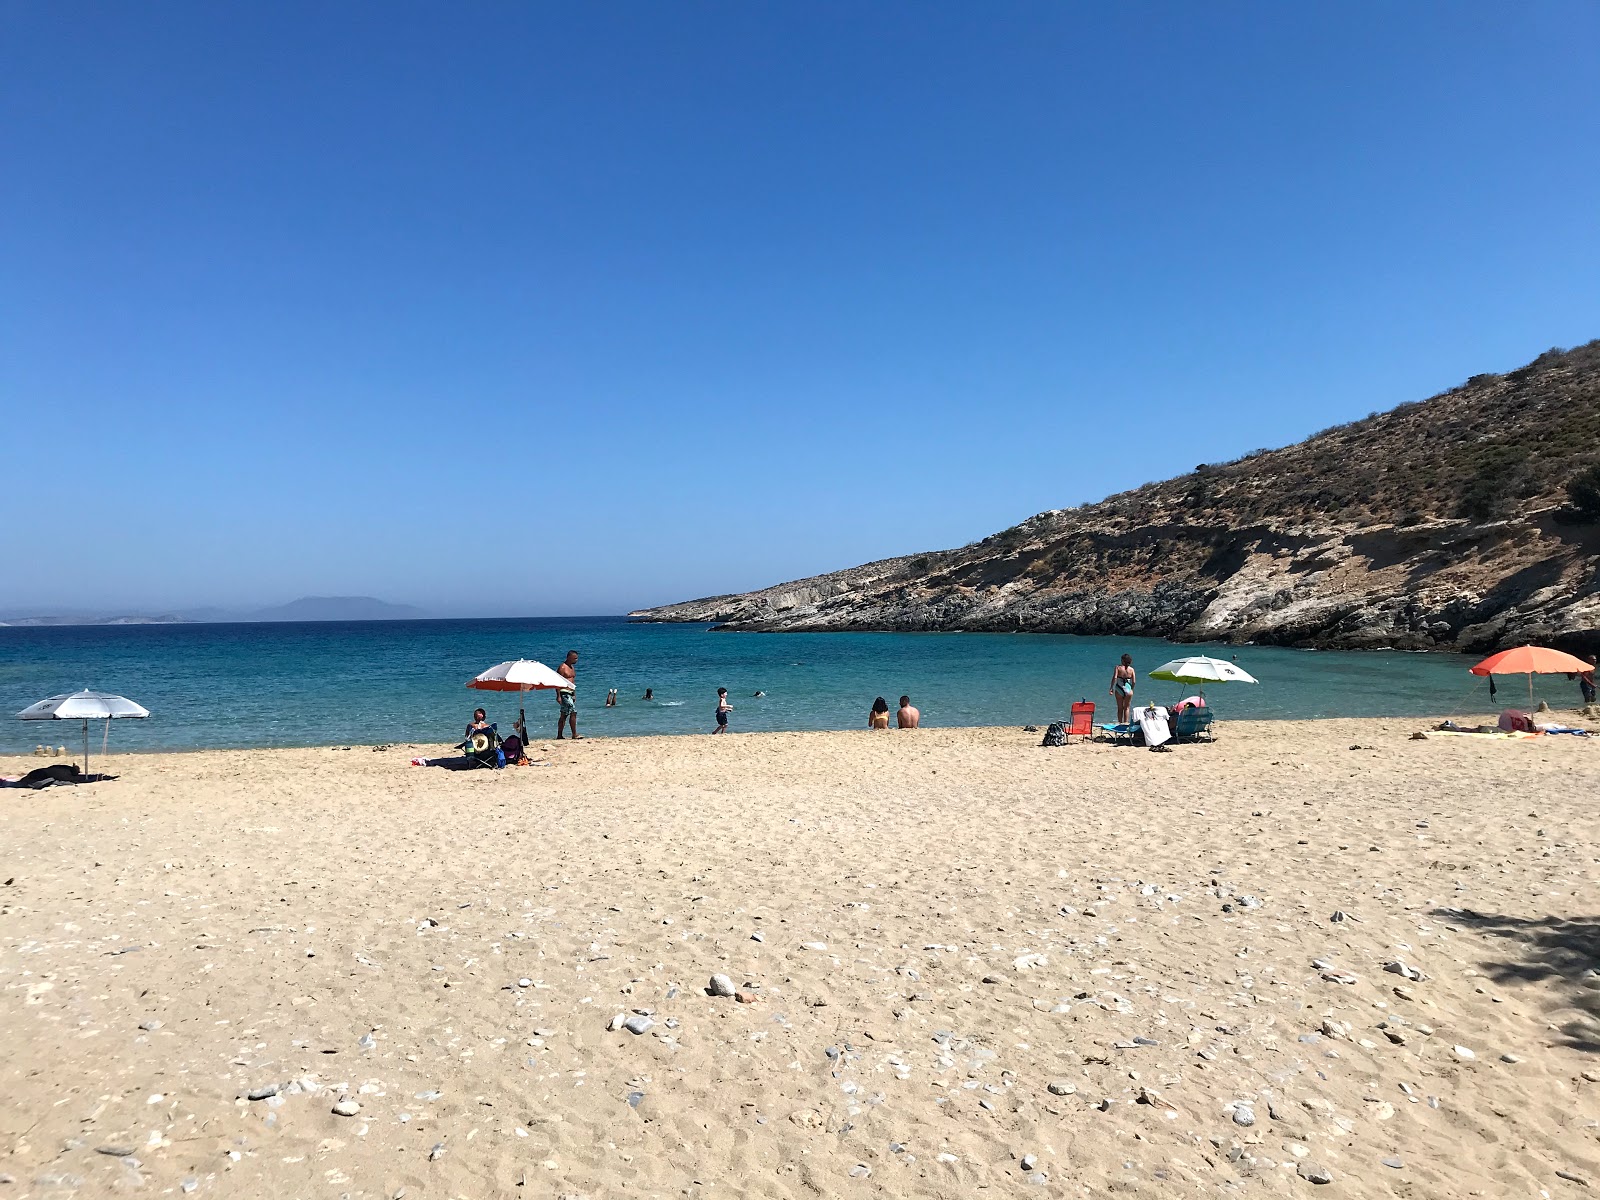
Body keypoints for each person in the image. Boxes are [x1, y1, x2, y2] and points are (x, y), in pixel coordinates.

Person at [556, 650, 581, 740]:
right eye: (574, 658)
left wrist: (574, 694)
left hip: (570, 693)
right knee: (573, 712)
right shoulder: (562, 667)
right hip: (564, 693)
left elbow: (572, 682)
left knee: (564, 714)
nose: (576, 660)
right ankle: (574, 734)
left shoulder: (572, 667)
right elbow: (557, 682)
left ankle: (559, 735)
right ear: (569, 657)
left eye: (577, 658)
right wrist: (558, 696)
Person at [1110, 654, 1136, 724]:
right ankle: (1126, 722)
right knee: (1127, 708)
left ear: (1123, 661)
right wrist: (1131, 689)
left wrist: (1111, 687)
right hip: (1128, 689)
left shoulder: (1118, 668)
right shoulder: (1131, 669)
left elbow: (1115, 678)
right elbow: (1134, 681)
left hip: (1119, 688)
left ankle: (1119, 722)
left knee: (1120, 708)